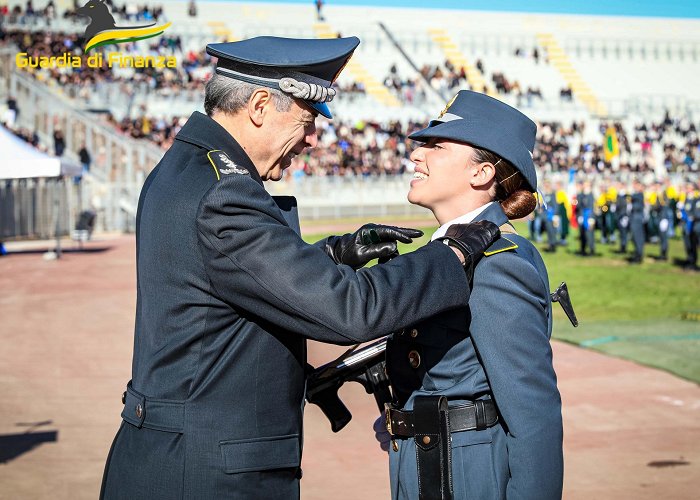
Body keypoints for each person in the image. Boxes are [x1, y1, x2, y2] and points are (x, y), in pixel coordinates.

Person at [99, 37, 499, 500]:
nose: (312, 139)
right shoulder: (223, 196)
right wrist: (449, 254)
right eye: (307, 121)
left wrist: (337, 253)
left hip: (176, 457)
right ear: (261, 105)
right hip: (207, 475)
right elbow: (350, 310)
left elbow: (237, 275)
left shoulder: (188, 169)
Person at [377, 90, 563, 499]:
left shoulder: (497, 262)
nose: (416, 155)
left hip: (467, 475)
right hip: (431, 462)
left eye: (436, 146)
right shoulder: (452, 250)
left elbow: (534, 414)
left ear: (480, 174)